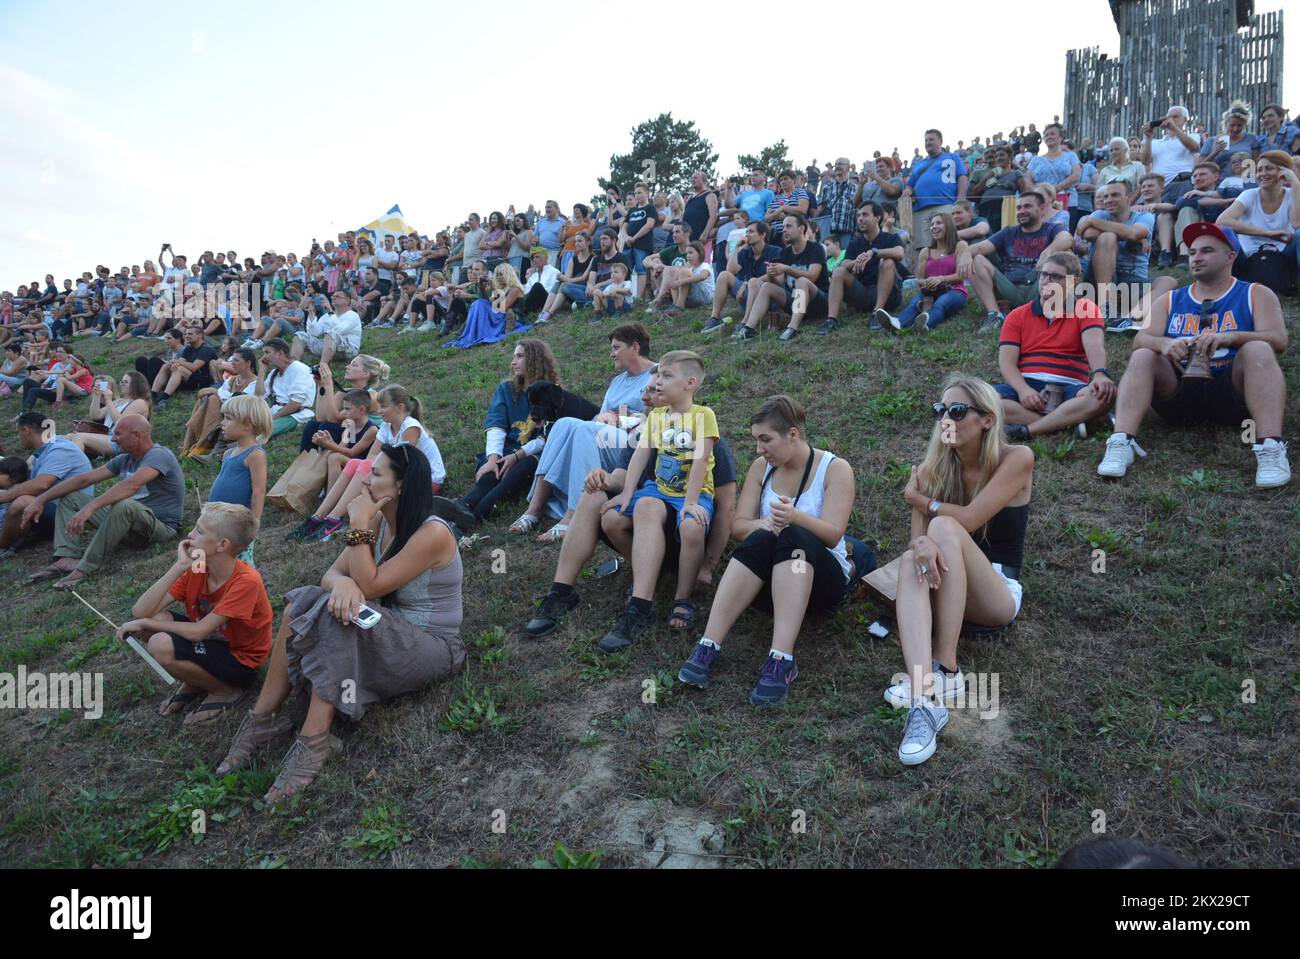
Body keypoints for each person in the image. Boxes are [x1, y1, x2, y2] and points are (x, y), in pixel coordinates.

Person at [215, 445, 464, 805]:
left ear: (401, 487)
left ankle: (315, 741)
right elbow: (331, 574)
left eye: (377, 474)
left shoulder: (432, 532)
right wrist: (345, 582)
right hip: (388, 630)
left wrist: (359, 527)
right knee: (300, 606)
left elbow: (374, 584)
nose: (365, 478)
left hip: (432, 646)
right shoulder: (380, 522)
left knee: (342, 618)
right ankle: (262, 718)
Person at [676, 395, 858, 705]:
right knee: (762, 538)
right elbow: (739, 527)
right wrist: (766, 524)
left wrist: (795, 519)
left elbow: (833, 534)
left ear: (792, 434)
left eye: (765, 440)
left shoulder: (835, 468)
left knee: (796, 537)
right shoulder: (762, 468)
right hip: (771, 584)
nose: (759, 449)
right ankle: (708, 644)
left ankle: (781, 659)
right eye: (756, 440)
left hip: (817, 581)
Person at [891, 375, 1033, 765]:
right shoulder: (935, 466)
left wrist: (922, 501)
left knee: (944, 527)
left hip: (996, 593)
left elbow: (968, 519)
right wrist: (920, 532)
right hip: (948, 586)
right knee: (911, 558)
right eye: (941, 411)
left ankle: (948, 669)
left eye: (957, 411)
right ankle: (924, 699)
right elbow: (919, 545)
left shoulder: (1015, 458)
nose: (946, 419)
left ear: (987, 419)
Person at [523, 383, 740, 638]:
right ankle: (561, 592)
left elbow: (726, 508)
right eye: (644, 391)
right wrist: (603, 479)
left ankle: (641, 607)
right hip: (647, 522)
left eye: (654, 391)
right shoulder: (642, 434)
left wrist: (708, 565)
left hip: (685, 534)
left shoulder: (706, 436)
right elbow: (621, 478)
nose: (644, 397)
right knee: (594, 498)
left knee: (647, 506)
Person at [1097, 222, 1289, 489]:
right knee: (1144, 355)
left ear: (1230, 256)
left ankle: (1270, 445)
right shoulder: (1171, 299)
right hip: (1180, 391)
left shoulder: (1255, 293)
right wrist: (1164, 344)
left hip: (1234, 393)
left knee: (1257, 348)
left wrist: (1233, 336)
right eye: (1193, 252)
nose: (1196, 257)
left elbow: (1279, 340)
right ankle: (1121, 441)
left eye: (1207, 251)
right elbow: (1141, 339)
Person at [596, 351, 718, 652]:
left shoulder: (703, 415)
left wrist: (691, 502)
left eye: (666, 376)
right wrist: (626, 493)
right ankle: (650, 573)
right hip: (658, 489)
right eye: (658, 375)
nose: (657, 382)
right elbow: (641, 453)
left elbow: (701, 460)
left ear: (690, 383)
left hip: (694, 493)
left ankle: (682, 598)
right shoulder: (657, 416)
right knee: (611, 517)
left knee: (691, 528)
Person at [118, 503, 272, 724]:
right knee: (154, 619)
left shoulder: (246, 581)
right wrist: (179, 566)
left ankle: (224, 691)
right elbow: (141, 611)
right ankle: (196, 680)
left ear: (222, 545)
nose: (190, 534)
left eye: (200, 531)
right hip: (211, 642)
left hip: (240, 660)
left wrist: (144, 623)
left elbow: (198, 632)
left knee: (159, 642)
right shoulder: (199, 567)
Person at [24, 414, 184, 590]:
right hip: (127, 525)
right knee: (72, 497)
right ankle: (66, 557)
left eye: (119, 434)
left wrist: (91, 507)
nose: (113, 439)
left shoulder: (159, 455)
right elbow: (83, 480)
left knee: (125, 505)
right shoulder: (125, 459)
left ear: (137, 435)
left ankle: (85, 569)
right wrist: (41, 499)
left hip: (159, 528)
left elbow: (132, 485)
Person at [428, 339, 561, 531]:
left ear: (535, 359)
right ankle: (463, 506)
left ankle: (471, 517)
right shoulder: (507, 389)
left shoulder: (552, 393)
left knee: (517, 469)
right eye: (514, 356)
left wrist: (516, 456)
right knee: (495, 468)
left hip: (534, 456)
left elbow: (546, 437)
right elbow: (496, 426)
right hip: (507, 448)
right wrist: (493, 458)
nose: (513, 362)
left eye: (520, 356)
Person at [303, 385, 447, 542]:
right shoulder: (386, 426)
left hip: (426, 481)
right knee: (356, 464)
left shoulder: (411, 427)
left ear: (399, 407)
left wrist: (372, 469)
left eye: (384, 407)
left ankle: (334, 519)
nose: (379, 411)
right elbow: (372, 455)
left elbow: (404, 462)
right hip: (400, 476)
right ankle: (318, 516)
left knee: (365, 466)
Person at [996, 251, 1116, 440]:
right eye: (1044, 274)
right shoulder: (1017, 315)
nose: (1046, 280)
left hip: (1071, 387)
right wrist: (1023, 390)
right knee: (982, 401)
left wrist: (1100, 373)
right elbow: (1007, 363)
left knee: (1102, 395)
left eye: (1056, 276)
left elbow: (1094, 345)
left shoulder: (1085, 308)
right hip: (1027, 384)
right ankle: (1068, 421)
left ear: (1073, 282)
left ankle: (1029, 430)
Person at [958, 191, 1074, 334]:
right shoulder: (1009, 232)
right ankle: (995, 315)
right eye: (1019, 208)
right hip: (1011, 287)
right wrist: (966, 253)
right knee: (976, 259)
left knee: (1066, 254)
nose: (1021, 211)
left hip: (1039, 286)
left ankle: (1052, 310)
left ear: (1041, 209)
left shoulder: (1052, 228)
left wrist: (1047, 252)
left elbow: (1067, 239)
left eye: (1027, 207)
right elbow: (980, 247)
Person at [1077, 180, 1179, 329]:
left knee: (1169, 282)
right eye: (1105, 197)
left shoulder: (1143, 217)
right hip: (1099, 280)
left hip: (1131, 282)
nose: (1108, 200)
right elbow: (1087, 232)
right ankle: (1106, 308)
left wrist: (1091, 221)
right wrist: (1129, 235)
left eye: (1115, 195)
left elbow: (1134, 233)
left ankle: (1130, 319)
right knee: (1108, 238)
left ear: (1129, 197)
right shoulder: (1099, 214)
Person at [0, 411, 94, 557]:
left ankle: (2, 545)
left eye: (19, 433)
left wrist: (7, 495)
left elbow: (41, 485)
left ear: (27, 431)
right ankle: (16, 538)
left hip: (71, 514)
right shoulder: (44, 452)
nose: (19, 437)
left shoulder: (59, 449)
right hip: (56, 508)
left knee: (22, 502)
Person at [731, 214, 828, 342]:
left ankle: (793, 328)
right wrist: (771, 275)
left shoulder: (816, 248)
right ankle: (749, 328)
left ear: (801, 229)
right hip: (795, 304)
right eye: (783, 227)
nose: (784, 230)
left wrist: (787, 269)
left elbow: (812, 277)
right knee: (766, 286)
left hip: (817, 303)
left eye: (789, 226)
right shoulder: (785, 253)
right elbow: (780, 282)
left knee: (802, 281)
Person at [1215, 151, 1300, 294]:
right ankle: (1223, 283)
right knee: (1223, 232)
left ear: (1283, 171)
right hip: (1248, 257)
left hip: (1283, 256)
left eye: (1269, 168)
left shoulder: (1293, 194)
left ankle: (1295, 279)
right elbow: (1222, 221)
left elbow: (1296, 224)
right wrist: (1267, 233)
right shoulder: (1249, 195)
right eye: (1259, 170)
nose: (1262, 174)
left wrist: (1295, 183)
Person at [820, 203, 906, 335]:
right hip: (863, 295)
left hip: (889, 296)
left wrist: (874, 252)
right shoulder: (855, 244)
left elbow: (899, 253)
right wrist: (856, 261)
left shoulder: (890, 238)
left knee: (887, 262)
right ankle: (832, 319)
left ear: (877, 218)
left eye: (865, 214)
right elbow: (844, 264)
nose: (860, 218)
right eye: (859, 215)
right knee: (839, 271)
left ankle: (877, 313)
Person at [208, 394, 271, 549]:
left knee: (239, 560)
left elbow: (259, 491)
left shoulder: (255, 454)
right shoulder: (228, 453)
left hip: (236, 524)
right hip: (217, 518)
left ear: (247, 425)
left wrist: (254, 523)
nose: (222, 423)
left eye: (228, 418)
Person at [177, 347, 259, 458]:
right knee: (209, 398)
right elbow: (222, 393)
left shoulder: (256, 383)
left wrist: (214, 391)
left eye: (236, 360)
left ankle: (203, 442)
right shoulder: (233, 380)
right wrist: (214, 392)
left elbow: (240, 400)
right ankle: (200, 441)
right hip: (225, 413)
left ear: (248, 363)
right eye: (232, 360)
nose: (232, 363)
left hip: (243, 416)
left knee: (213, 398)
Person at [896, 211, 968, 331]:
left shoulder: (960, 245)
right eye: (932, 224)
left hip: (955, 290)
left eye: (938, 223)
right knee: (914, 304)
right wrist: (927, 283)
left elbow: (961, 275)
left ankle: (924, 324)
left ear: (949, 226)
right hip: (929, 292)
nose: (933, 227)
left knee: (941, 303)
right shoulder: (925, 251)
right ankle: (897, 324)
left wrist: (940, 279)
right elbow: (919, 279)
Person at [900, 129, 969, 252]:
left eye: (931, 139)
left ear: (940, 141)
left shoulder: (953, 157)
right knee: (923, 247)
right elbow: (910, 184)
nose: (928, 142)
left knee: (947, 242)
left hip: (946, 205)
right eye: (926, 140)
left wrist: (960, 199)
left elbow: (962, 177)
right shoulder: (920, 164)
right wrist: (908, 191)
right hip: (920, 210)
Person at [67, 370, 153, 459]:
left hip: (121, 442)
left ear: (136, 385)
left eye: (126, 382)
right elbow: (95, 415)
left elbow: (121, 422)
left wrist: (108, 400)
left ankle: (75, 467)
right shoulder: (119, 401)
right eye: (122, 382)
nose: (122, 384)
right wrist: (97, 396)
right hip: (108, 437)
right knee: (68, 437)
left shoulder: (140, 402)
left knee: (79, 437)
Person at [443, 264, 528, 349]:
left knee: (480, 303)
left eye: (501, 274)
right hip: (498, 317)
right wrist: (482, 289)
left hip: (510, 318)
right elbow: (489, 304)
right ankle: (475, 334)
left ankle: (477, 333)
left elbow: (502, 308)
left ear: (509, 274)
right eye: (497, 275)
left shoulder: (516, 289)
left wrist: (495, 288)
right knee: (479, 303)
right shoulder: (501, 289)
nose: (498, 277)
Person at [258, 338, 316, 439]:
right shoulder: (274, 373)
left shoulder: (299, 369)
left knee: (263, 431)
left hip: (295, 414)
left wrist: (272, 418)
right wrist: (262, 370)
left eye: (267, 352)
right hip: (275, 411)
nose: (264, 357)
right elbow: (259, 396)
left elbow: (295, 404)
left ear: (280, 353)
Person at [150, 324, 215, 410]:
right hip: (189, 377)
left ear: (200, 335)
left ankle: (164, 398)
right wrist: (174, 364)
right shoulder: (188, 348)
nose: (186, 336)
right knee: (165, 366)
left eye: (190, 334)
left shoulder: (206, 349)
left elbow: (194, 367)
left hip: (202, 381)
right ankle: (152, 395)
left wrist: (176, 362)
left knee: (179, 369)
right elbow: (181, 361)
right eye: (186, 334)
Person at [292, 289, 362, 365]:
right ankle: (294, 365)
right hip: (328, 346)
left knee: (330, 333)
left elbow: (338, 330)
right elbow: (314, 333)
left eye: (337, 296)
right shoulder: (327, 316)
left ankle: (322, 366)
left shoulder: (352, 315)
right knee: (300, 335)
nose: (333, 298)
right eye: (332, 296)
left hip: (349, 349)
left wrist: (330, 310)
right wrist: (311, 312)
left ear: (347, 301)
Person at [1201, 100, 1260, 177]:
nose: (1235, 129)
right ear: (1226, 124)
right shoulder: (1212, 141)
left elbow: (1256, 164)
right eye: (1232, 125)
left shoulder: (1251, 139)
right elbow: (1199, 167)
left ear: (1245, 125)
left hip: (1245, 180)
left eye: (1239, 126)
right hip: (1220, 181)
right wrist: (1215, 152)